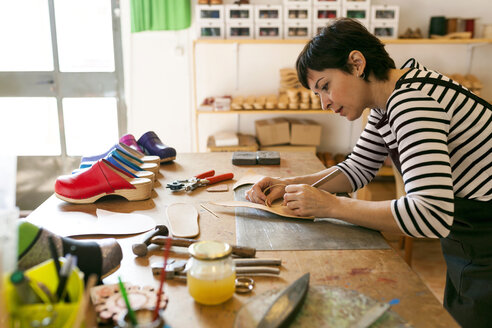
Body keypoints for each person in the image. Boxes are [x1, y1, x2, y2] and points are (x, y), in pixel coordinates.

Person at [246, 18, 491, 327]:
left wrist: (330, 205)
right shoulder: (388, 100)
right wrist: (287, 184)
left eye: (325, 87)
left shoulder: (413, 102)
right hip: (470, 231)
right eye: (317, 95)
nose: (324, 103)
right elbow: (356, 169)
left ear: (357, 63)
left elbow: (430, 215)